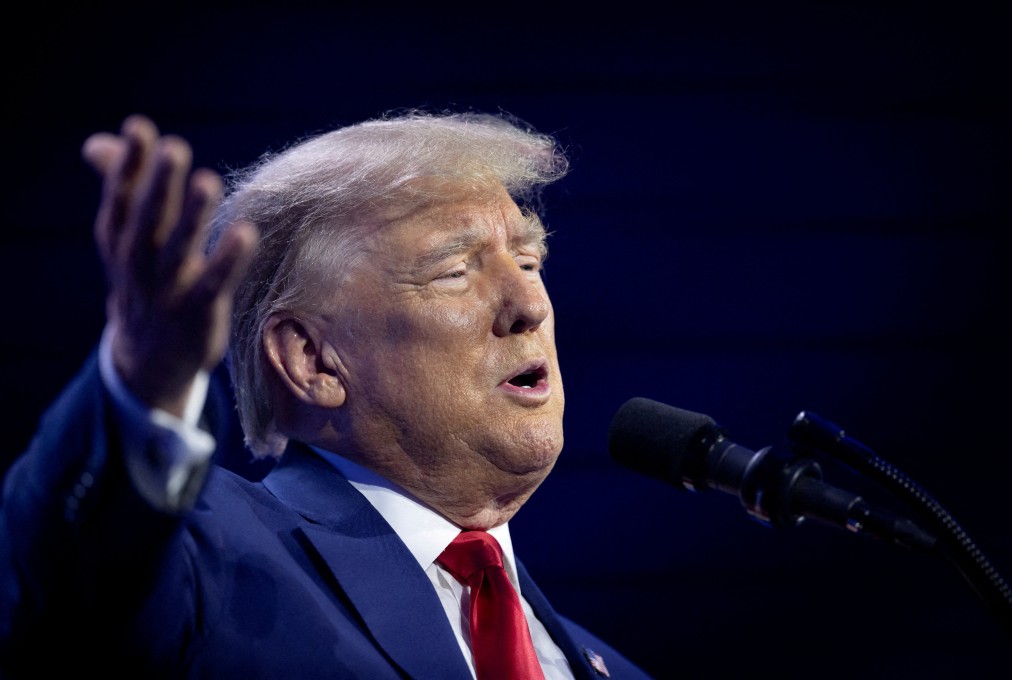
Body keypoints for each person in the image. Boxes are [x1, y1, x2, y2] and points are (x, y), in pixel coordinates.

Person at [0, 111, 653, 679]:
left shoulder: (612, 668)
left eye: (530, 262)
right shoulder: (205, 560)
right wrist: (143, 383)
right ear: (312, 360)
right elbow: (69, 581)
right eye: (455, 271)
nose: (529, 305)